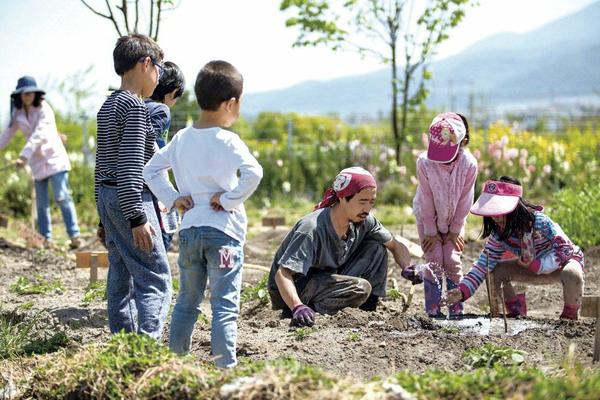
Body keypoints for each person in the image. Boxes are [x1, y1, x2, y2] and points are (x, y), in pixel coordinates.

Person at [143, 60, 262, 368]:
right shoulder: (229, 140)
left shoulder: (181, 138)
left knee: (186, 303)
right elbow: (254, 173)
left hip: (190, 233)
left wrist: (173, 198)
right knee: (223, 306)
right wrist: (230, 199)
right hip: (224, 237)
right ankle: (225, 371)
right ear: (231, 103)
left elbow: (151, 170)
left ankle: (175, 367)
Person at [95, 34, 182, 340]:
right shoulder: (134, 106)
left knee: (121, 274)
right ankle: (145, 348)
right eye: (157, 67)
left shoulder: (107, 105)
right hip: (132, 198)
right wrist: (137, 217)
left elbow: (101, 163)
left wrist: (102, 216)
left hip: (108, 197)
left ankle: (123, 342)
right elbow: (131, 165)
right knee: (155, 277)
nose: (158, 75)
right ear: (146, 64)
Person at [267, 167, 416, 327]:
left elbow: (394, 245)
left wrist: (407, 267)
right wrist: (297, 306)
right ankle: (308, 312)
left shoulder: (364, 220)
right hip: (296, 287)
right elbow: (282, 274)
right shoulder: (312, 229)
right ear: (343, 198)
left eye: (371, 202)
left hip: (328, 277)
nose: (367, 209)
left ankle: (366, 312)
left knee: (377, 249)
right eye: (362, 202)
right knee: (361, 287)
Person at [446, 176, 585, 320]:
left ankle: (569, 317)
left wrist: (539, 265)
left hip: (560, 264)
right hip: (530, 267)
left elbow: (564, 250)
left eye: (499, 210)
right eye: (491, 211)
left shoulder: (539, 222)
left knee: (572, 274)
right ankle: (513, 314)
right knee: (493, 271)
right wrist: (462, 292)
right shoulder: (499, 236)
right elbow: (482, 266)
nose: (495, 217)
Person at [0, 76, 81, 248]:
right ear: (19, 95)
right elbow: (7, 134)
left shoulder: (45, 109)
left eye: (30, 93)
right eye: (24, 94)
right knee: (41, 203)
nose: (27, 96)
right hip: (36, 162)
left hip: (54, 158)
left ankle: (74, 236)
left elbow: (39, 134)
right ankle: (46, 239)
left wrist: (23, 156)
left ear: (36, 94)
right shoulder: (17, 112)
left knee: (61, 196)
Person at [412, 112, 477, 317]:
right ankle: (433, 311)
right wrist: (430, 230)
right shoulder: (424, 163)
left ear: (463, 141)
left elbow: (466, 198)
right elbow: (426, 197)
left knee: (451, 260)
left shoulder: (469, 164)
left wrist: (456, 229)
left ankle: (456, 310)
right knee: (434, 259)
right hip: (427, 218)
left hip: (454, 221)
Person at [144, 61, 185, 251]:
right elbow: (156, 152)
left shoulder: (137, 104)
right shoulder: (161, 110)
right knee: (162, 236)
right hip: (151, 182)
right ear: (171, 91)